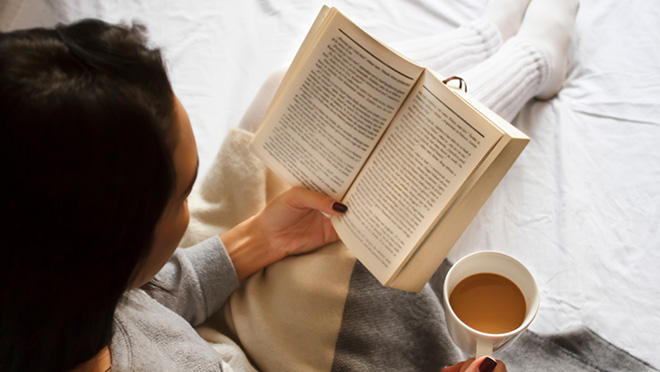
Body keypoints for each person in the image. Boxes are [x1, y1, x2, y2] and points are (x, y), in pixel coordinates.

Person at [0, 0, 577, 370]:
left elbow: (147, 297)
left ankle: (483, 44)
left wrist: (261, 239)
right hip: (255, 353)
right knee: (376, 209)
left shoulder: (46, 297)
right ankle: (528, 60)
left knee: (288, 93)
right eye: (182, 192)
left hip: (214, 312)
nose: (187, 202)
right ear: (105, 256)